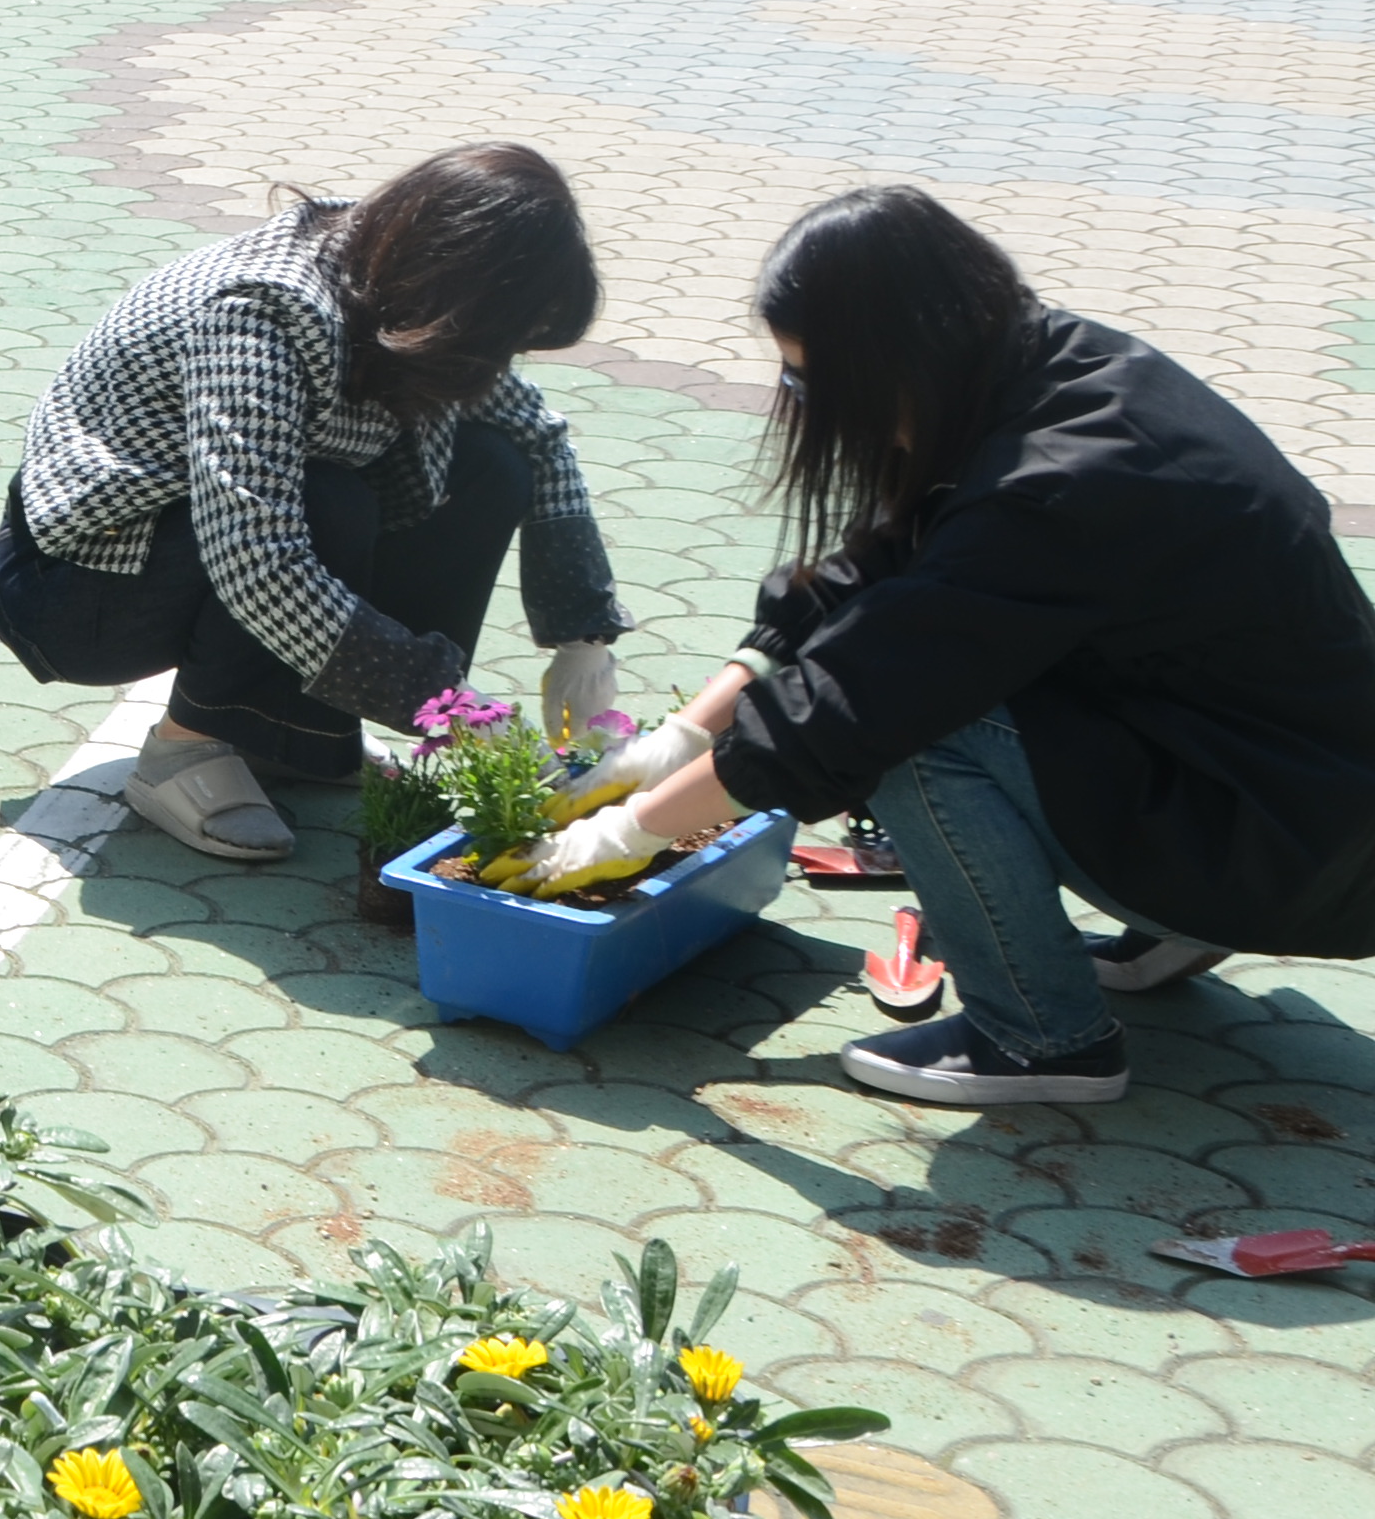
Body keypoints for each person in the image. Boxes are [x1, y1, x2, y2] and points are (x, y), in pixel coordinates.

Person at [519, 187, 1375, 1109]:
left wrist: (628, 832)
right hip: (1301, 802)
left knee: (917, 731)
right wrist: (682, 736)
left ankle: (1045, 1042)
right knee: (918, 670)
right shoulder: (1053, 371)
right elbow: (879, 571)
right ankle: (1167, 926)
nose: (799, 405)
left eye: (809, 382)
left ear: (891, 359)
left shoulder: (1056, 488)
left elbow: (854, 705)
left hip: (1286, 853)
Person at [0, 147, 634, 865]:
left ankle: (297, 736)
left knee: (490, 465)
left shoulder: (397, 270)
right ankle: (184, 749)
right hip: (86, 585)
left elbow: (536, 433)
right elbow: (258, 561)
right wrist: (449, 704)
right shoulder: (265, 311)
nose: (501, 361)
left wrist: (582, 637)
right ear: (460, 291)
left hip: (205, 544)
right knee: (326, 500)